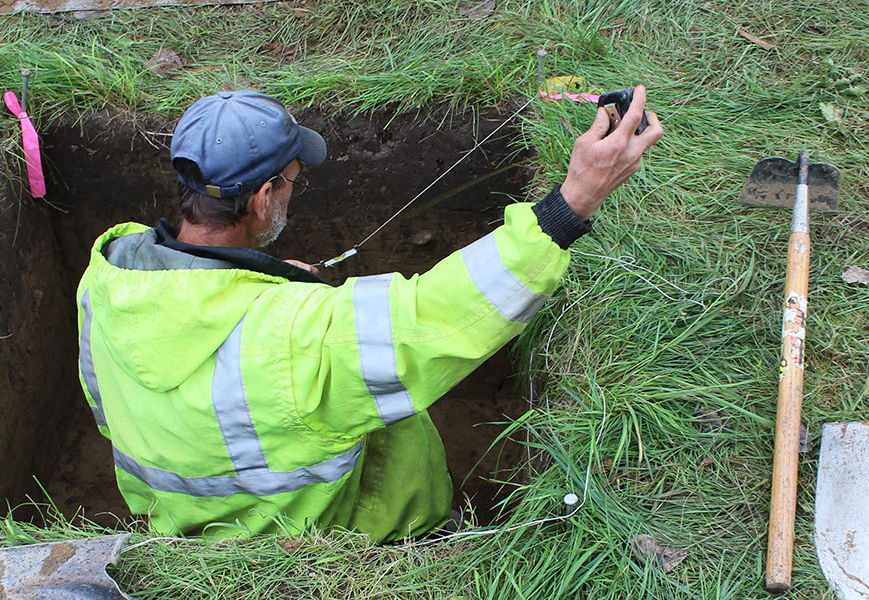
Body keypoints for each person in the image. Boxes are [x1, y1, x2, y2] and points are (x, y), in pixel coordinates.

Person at [75, 88, 662, 542]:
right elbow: (432, 320)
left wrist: (267, 283)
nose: (292, 192)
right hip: (338, 543)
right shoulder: (300, 336)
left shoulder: (106, 278)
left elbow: (110, 408)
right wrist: (572, 203)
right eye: (291, 182)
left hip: (187, 528)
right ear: (261, 198)